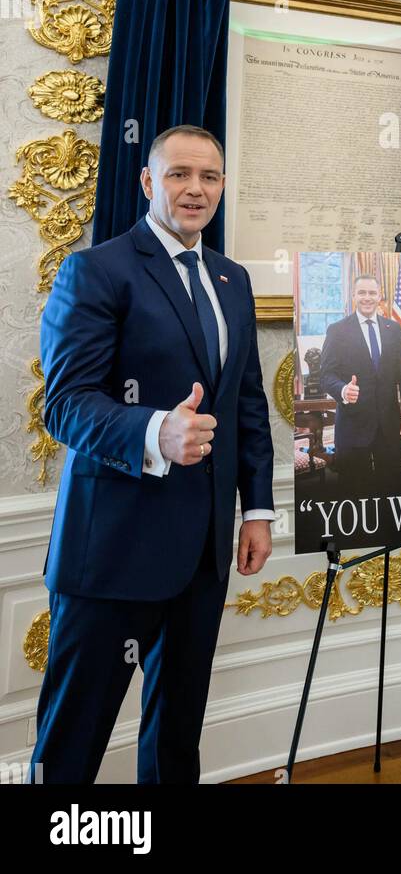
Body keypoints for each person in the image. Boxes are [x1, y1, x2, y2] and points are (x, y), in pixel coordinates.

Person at [30, 126, 274, 784]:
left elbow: (245, 402)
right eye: (178, 174)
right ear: (147, 182)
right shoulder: (97, 270)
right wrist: (154, 432)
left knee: (176, 741)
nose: (195, 189)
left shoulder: (232, 279)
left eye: (210, 177)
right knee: (71, 745)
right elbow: (65, 403)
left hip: (203, 552)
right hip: (109, 554)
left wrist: (259, 511)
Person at [319, 273, 401, 490]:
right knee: (354, 494)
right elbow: (325, 376)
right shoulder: (338, 330)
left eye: (372, 292)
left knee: (392, 493)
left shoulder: (394, 329)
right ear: (353, 296)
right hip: (353, 430)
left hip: (390, 430)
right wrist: (343, 389)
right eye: (362, 292)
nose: (367, 297)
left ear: (379, 296)